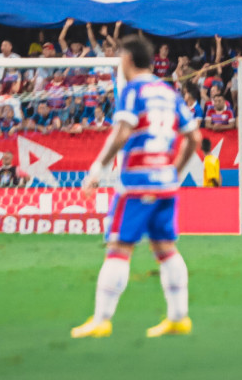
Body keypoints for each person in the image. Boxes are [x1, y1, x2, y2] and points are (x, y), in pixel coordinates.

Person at [71, 35, 199, 340]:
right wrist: (172, 173)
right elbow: (194, 139)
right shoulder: (169, 92)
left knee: (118, 248)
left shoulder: (133, 90)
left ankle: (101, 320)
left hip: (138, 182)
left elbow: (122, 133)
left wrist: (97, 169)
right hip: (166, 184)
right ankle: (179, 317)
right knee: (165, 248)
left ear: (127, 60)